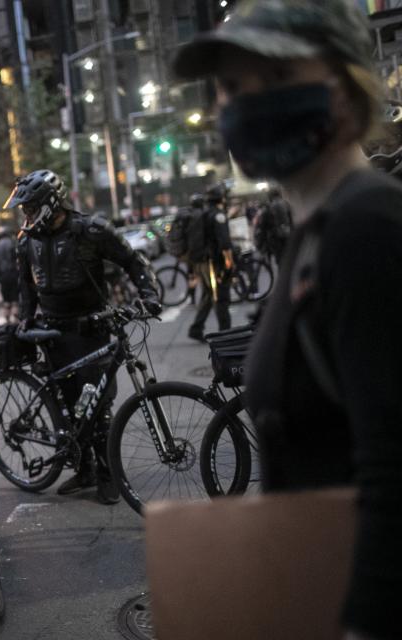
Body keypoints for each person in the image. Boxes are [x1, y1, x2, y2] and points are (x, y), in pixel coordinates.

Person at [174, 1, 401, 638]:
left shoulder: (366, 227)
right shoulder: (313, 226)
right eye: (229, 87)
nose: (242, 103)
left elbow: (393, 464)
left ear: (343, 83)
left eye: (273, 81)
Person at [5, 169, 161, 503]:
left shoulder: (91, 230)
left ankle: (108, 475)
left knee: (98, 407)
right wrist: (26, 323)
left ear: (49, 203)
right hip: (53, 332)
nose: (26, 215)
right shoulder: (26, 240)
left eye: (30, 207)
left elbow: (133, 262)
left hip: (94, 330)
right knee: (71, 409)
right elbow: (26, 288)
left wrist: (148, 294)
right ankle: (84, 469)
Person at [186, 183, 233, 342]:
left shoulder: (203, 213)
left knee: (208, 295)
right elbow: (224, 243)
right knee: (221, 297)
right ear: (221, 198)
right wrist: (228, 264)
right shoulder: (218, 215)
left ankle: (196, 328)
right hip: (213, 264)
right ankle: (226, 335)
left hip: (200, 262)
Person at [253, 187, 292, 267]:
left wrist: (260, 242)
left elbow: (263, 226)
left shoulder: (268, 208)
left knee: (280, 259)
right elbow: (292, 220)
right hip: (288, 234)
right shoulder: (286, 204)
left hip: (275, 237)